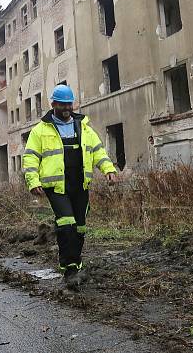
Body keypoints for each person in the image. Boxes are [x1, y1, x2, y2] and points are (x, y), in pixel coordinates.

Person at [23, 84, 117, 288]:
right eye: (62, 105)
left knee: (79, 228)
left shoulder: (83, 127)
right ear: (53, 104)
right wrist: (33, 181)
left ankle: (76, 263)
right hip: (56, 187)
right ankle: (69, 270)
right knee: (66, 225)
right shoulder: (40, 131)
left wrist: (108, 169)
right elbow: (30, 158)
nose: (66, 108)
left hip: (80, 184)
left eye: (69, 104)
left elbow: (98, 151)